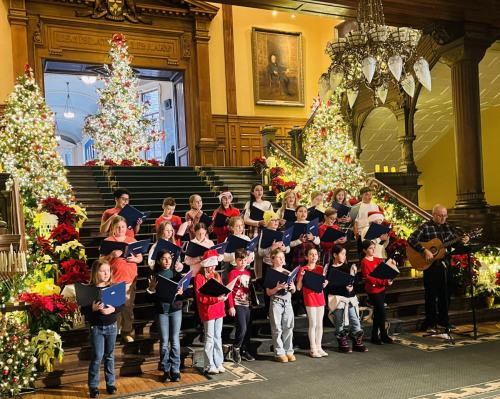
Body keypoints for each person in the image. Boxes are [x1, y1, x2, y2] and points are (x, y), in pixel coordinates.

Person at [407, 204, 469, 333]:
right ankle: (431, 324)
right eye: (440, 216)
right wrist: (424, 250)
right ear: (434, 215)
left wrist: (462, 241)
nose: (443, 218)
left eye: (445, 216)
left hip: (446, 265)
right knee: (431, 295)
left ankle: (443, 322)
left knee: (446, 295)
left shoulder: (449, 228)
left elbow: (454, 244)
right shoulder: (425, 227)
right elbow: (411, 239)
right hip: (432, 267)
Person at [81, 259, 124, 398]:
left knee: (110, 356)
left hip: (111, 326)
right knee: (97, 356)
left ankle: (110, 384)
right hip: (96, 328)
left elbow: (122, 305)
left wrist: (113, 309)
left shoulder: (113, 287)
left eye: (108, 271)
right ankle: (93, 386)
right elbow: (83, 310)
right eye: (102, 271)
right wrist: (92, 308)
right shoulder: (90, 289)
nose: (106, 273)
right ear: (95, 272)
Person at [100, 216, 142, 343]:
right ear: (113, 228)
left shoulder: (131, 240)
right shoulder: (108, 241)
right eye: (118, 227)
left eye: (123, 227)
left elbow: (139, 258)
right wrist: (111, 256)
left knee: (128, 307)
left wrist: (134, 259)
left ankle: (126, 331)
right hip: (114, 279)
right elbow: (100, 261)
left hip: (129, 278)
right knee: (114, 307)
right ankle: (114, 332)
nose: (121, 229)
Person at [147, 249, 186, 383]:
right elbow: (148, 299)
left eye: (169, 258)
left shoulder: (176, 275)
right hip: (161, 311)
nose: (167, 261)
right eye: (164, 258)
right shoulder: (154, 276)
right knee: (164, 342)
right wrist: (151, 289)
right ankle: (166, 370)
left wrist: (182, 292)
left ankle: (175, 369)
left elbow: (184, 295)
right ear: (158, 261)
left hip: (175, 310)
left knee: (174, 341)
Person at [325, 245, 367, 353]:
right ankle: (342, 343)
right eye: (342, 254)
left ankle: (357, 342)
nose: (344, 256)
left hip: (350, 297)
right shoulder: (330, 268)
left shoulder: (348, 267)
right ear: (335, 255)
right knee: (340, 321)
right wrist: (342, 287)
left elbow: (355, 282)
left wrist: (355, 273)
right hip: (337, 298)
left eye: (345, 254)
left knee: (355, 319)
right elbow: (329, 285)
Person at [195, 250, 228, 374]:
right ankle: (209, 364)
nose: (213, 267)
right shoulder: (199, 277)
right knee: (209, 338)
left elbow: (221, 289)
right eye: (210, 265)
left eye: (214, 265)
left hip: (219, 309)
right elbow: (200, 296)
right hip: (208, 310)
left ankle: (218, 362)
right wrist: (216, 298)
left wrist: (223, 296)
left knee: (217, 337)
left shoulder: (216, 275)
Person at [296, 246, 328, 358]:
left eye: (315, 254)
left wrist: (324, 284)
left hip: (320, 297)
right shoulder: (303, 269)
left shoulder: (320, 268)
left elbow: (323, 283)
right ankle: (313, 347)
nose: (314, 256)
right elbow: (298, 287)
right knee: (313, 323)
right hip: (310, 297)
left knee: (320, 323)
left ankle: (319, 347)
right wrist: (300, 277)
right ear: (306, 256)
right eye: (311, 254)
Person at [360, 240, 394, 345]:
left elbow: (383, 270)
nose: (373, 250)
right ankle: (381, 334)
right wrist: (384, 281)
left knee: (378, 313)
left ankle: (377, 335)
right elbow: (369, 277)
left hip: (381, 288)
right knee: (381, 311)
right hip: (373, 289)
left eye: (374, 248)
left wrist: (391, 265)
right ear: (365, 250)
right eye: (370, 248)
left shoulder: (377, 259)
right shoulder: (364, 262)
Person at [266, 249, 296, 363]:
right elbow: (268, 292)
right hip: (276, 301)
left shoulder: (287, 272)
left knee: (288, 327)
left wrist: (292, 287)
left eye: (283, 257)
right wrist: (277, 288)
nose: (282, 259)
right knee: (277, 328)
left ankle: (289, 350)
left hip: (287, 302)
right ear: (273, 260)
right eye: (279, 257)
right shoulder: (271, 273)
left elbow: (293, 290)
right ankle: (279, 352)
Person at [290, 205, 320, 317]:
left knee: (309, 279)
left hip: (310, 254)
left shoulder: (311, 224)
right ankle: (299, 305)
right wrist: (299, 240)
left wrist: (313, 238)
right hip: (298, 255)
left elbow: (318, 242)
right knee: (299, 279)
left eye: (305, 211)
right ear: (296, 213)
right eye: (300, 211)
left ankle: (309, 303)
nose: (303, 213)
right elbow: (289, 244)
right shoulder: (293, 225)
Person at [258, 211, 289, 316]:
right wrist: (272, 248)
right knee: (269, 289)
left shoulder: (281, 233)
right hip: (268, 265)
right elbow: (260, 252)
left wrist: (284, 248)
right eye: (272, 220)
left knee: (281, 286)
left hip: (280, 265)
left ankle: (281, 309)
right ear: (267, 222)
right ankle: (268, 311)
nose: (276, 222)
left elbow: (287, 249)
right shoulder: (264, 233)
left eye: (277, 220)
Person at [227, 248, 255, 363]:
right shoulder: (232, 273)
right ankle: (236, 347)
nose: (242, 262)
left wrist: (253, 302)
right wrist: (231, 306)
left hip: (247, 303)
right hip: (237, 303)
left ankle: (244, 351)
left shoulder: (248, 273)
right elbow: (228, 290)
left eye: (244, 260)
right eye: (240, 260)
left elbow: (250, 289)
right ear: (236, 261)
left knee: (247, 329)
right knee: (242, 327)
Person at [244, 183, 273, 281]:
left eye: (261, 189)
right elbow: (245, 219)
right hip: (255, 229)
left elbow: (272, 217)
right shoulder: (249, 204)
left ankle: (266, 277)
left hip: (265, 230)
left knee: (266, 253)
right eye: (257, 190)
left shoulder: (268, 203)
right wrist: (258, 223)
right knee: (257, 255)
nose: (259, 192)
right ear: (252, 192)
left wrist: (267, 222)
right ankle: (259, 278)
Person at [222, 217, 254, 283]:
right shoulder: (228, 239)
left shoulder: (246, 238)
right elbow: (224, 257)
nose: (240, 227)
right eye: (237, 226)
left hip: (246, 267)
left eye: (241, 225)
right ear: (232, 228)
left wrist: (251, 256)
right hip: (234, 267)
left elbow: (251, 251)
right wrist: (237, 255)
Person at [354, 187, 381, 258]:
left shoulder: (374, 206)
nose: (369, 196)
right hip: (361, 231)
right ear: (361, 196)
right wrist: (356, 232)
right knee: (362, 253)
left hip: (373, 232)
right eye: (366, 194)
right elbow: (355, 221)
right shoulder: (357, 207)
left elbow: (378, 219)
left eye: (370, 194)